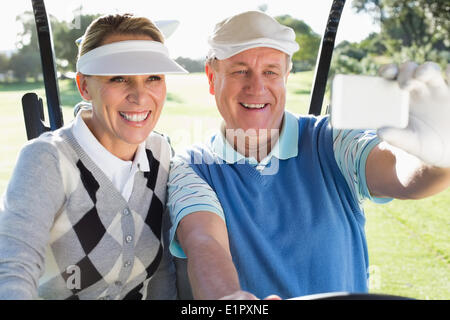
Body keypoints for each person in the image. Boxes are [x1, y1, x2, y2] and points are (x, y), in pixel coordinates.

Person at [167, 11, 450, 300]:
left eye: (271, 72)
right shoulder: (192, 167)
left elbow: (397, 174)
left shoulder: (331, 139)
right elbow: (204, 243)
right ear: (212, 78)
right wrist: (229, 300)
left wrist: (435, 162)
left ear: (286, 77)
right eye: (240, 71)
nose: (256, 87)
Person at [0, 13, 187, 300]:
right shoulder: (46, 160)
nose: (140, 96)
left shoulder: (160, 151)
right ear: (85, 86)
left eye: (153, 78)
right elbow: (13, 269)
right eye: (119, 78)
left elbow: (162, 270)